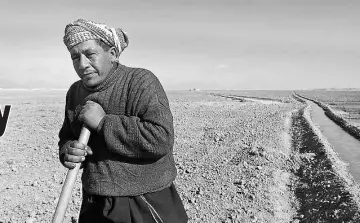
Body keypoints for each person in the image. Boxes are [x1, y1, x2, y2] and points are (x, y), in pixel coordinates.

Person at [58, 19, 188, 223]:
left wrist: (103, 122)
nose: (82, 65)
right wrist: (68, 150)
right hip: (95, 201)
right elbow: (67, 136)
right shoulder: (75, 92)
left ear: (112, 53)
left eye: (90, 54)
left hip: (146, 200)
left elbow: (160, 138)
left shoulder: (140, 82)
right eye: (75, 57)